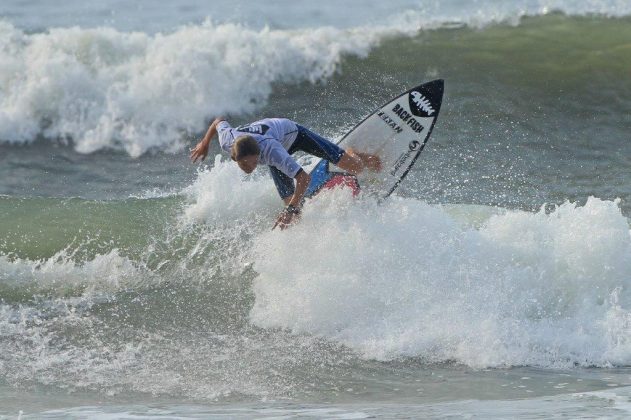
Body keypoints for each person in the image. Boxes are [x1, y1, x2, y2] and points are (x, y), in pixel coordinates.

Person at [190, 117, 380, 229]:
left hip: (293, 134)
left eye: (255, 161)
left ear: (259, 154)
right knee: (294, 213)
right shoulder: (227, 140)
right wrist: (204, 144)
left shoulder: (272, 152)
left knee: (356, 168)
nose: (252, 167)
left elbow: (304, 178)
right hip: (273, 140)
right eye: (246, 164)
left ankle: (351, 152)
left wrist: (290, 209)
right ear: (234, 158)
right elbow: (218, 121)